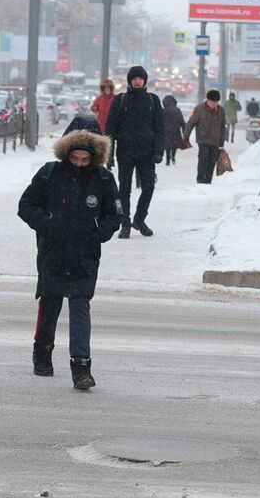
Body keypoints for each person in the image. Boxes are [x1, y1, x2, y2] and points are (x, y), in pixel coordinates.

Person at [18, 115, 121, 390]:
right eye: (74, 158)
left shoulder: (104, 179)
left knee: (79, 306)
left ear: (94, 156)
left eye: (84, 159)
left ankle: (81, 367)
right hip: (53, 250)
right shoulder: (49, 173)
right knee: (50, 302)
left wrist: (98, 232)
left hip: (85, 255)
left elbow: (115, 216)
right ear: (66, 152)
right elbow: (26, 206)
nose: (79, 163)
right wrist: (48, 224)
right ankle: (42, 352)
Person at [105, 65, 164, 239]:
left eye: (140, 78)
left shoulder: (152, 100)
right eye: (134, 78)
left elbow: (160, 128)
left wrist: (159, 151)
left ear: (145, 80)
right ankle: (125, 223)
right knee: (124, 189)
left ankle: (139, 218)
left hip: (147, 152)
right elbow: (110, 129)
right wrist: (109, 155)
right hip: (125, 151)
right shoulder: (120, 100)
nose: (137, 81)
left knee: (149, 187)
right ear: (130, 80)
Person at [183, 89, 226, 184]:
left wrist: (222, 141)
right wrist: (186, 136)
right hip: (203, 140)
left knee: (212, 162)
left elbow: (223, 127)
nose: (214, 104)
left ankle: (208, 181)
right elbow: (191, 123)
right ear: (207, 100)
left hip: (215, 141)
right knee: (203, 159)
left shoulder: (221, 111)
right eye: (212, 102)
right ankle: (201, 180)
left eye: (216, 102)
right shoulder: (199, 109)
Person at [162, 95, 186, 165]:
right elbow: (181, 121)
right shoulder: (177, 110)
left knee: (167, 146)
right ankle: (173, 156)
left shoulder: (163, 110)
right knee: (174, 145)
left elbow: (159, 121)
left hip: (166, 131)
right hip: (175, 130)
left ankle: (167, 160)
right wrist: (184, 130)